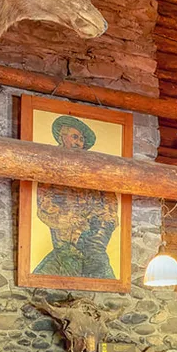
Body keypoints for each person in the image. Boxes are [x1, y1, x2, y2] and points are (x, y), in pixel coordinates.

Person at [34, 115, 119, 279]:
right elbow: (45, 204)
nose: (78, 143)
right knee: (67, 262)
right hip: (65, 236)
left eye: (81, 139)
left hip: (94, 234)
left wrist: (100, 222)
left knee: (98, 263)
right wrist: (71, 219)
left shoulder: (95, 171)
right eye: (75, 137)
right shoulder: (51, 167)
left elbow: (110, 203)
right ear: (62, 136)